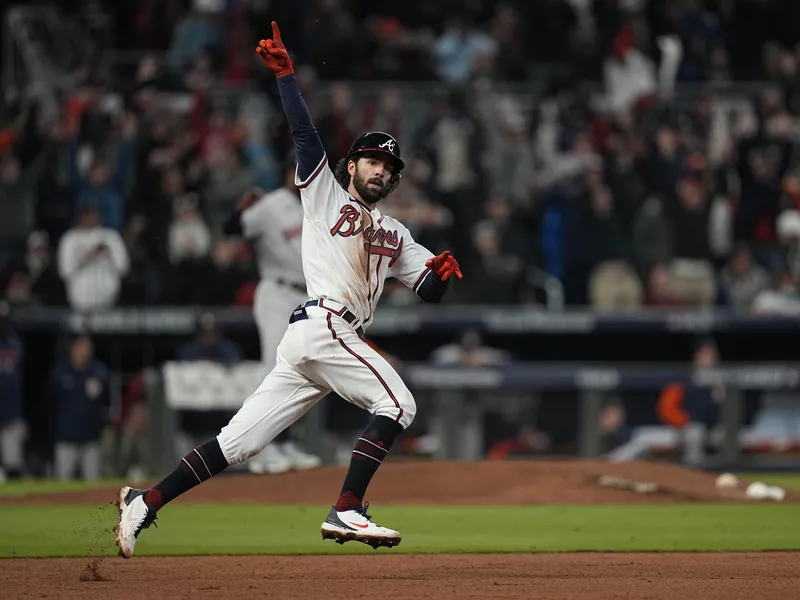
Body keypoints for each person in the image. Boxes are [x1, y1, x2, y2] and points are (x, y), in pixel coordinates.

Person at [114, 22, 462, 558]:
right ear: (353, 165)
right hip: (324, 325)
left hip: (314, 341)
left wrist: (441, 274)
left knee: (240, 443)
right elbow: (305, 135)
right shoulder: (324, 195)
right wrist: (287, 80)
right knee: (399, 404)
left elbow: (428, 292)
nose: (380, 170)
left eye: (388, 167)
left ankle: (145, 501)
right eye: (372, 160)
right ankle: (347, 507)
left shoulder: (396, 233)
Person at [223, 157, 322, 474]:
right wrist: (240, 209)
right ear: (286, 174)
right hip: (277, 292)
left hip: (305, 295)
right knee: (274, 368)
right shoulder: (272, 205)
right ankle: (260, 448)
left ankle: (283, 441)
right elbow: (232, 230)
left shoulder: (314, 208)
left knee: (300, 370)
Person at [50, 333, 111, 481]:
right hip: (66, 439)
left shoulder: (99, 372)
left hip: (91, 440)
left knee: (92, 485)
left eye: (88, 347)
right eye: (81, 347)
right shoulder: (60, 372)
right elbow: (51, 405)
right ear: (72, 349)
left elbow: (107, 403)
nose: (85, 351)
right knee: (62, 485)